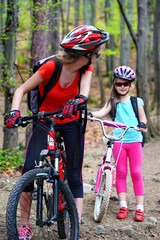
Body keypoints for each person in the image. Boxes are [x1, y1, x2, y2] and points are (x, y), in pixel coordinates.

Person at [4, 25, 109, 239]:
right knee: (28, 170)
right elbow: (21, 90)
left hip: (71, 122)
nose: (98, 56)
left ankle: (75, 221)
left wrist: (79, 100)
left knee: (73, 173)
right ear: (86, 54)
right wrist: (14, 112)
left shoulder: (85, 67)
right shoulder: (51, 67)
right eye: (97, 52)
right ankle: (24, 225)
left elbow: (85, 90)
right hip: (46, 121)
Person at [88, 65, 147, 222]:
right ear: (114, 84)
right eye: (119, 84)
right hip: (119, 141)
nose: (122, 87)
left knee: (136, 172)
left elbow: (143, 118)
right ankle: (123, 205)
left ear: (130, 85)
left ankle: (140, 208)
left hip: (134, 139)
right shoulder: (113, 102)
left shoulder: (136, 101)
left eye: (125, 84)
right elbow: (101, 112)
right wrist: (90, 114)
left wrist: (143, 125)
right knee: (120, 172)